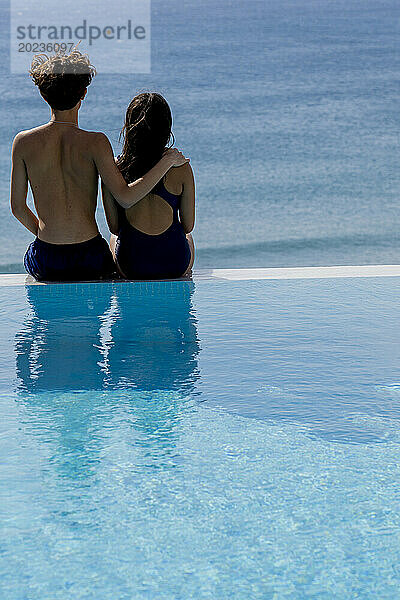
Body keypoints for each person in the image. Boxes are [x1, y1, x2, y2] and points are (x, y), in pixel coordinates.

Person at [10, 50, 189, 282]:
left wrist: (45, 234)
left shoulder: (23, 142)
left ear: (44, 96)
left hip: (48, 257)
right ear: (84, 93)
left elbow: (17, 207)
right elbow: (125, 197)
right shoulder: (96, 143)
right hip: (89, 257)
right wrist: (166, 161)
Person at [102, 93, 195, 280]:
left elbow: (114, 227)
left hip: (132, 266)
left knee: (113, 238)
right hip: (174, 264)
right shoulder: (181, 167)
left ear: (129, 128)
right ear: (167, 128)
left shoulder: (115, 168)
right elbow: (188, 225)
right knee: (189, 238)